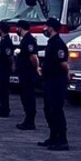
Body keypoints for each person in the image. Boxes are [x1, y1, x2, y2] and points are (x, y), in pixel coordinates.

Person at [39, 18, 71, 151]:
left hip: (56, 81)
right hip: (49, 80)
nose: (44, 29)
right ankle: (53, 136)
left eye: (46, 26)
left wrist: (67, 74)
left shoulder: (57, 43)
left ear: (51, 28)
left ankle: (62, 140)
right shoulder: (51, 42)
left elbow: (62, 62)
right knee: (48, 109)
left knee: (56, 110)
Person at [15, 20, 39, 131]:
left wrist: (36, 68)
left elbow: (33, 57)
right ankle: (27, 119)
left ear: (20, 28)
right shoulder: (24, 40)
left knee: (28, 97)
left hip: (28, 73)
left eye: (17, 28)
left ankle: (30, 121)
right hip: (23, 72)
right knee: (24, 97)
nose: (16, 30)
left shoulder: (29, 41)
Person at [0, 21, 13, 117]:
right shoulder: (3, 40)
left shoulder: (7, 41)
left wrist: (12, 66)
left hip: (4, 69)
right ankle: (2, 107)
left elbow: (9, 56)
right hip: (0, 68)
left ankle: (5, 109)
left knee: (2, 90)